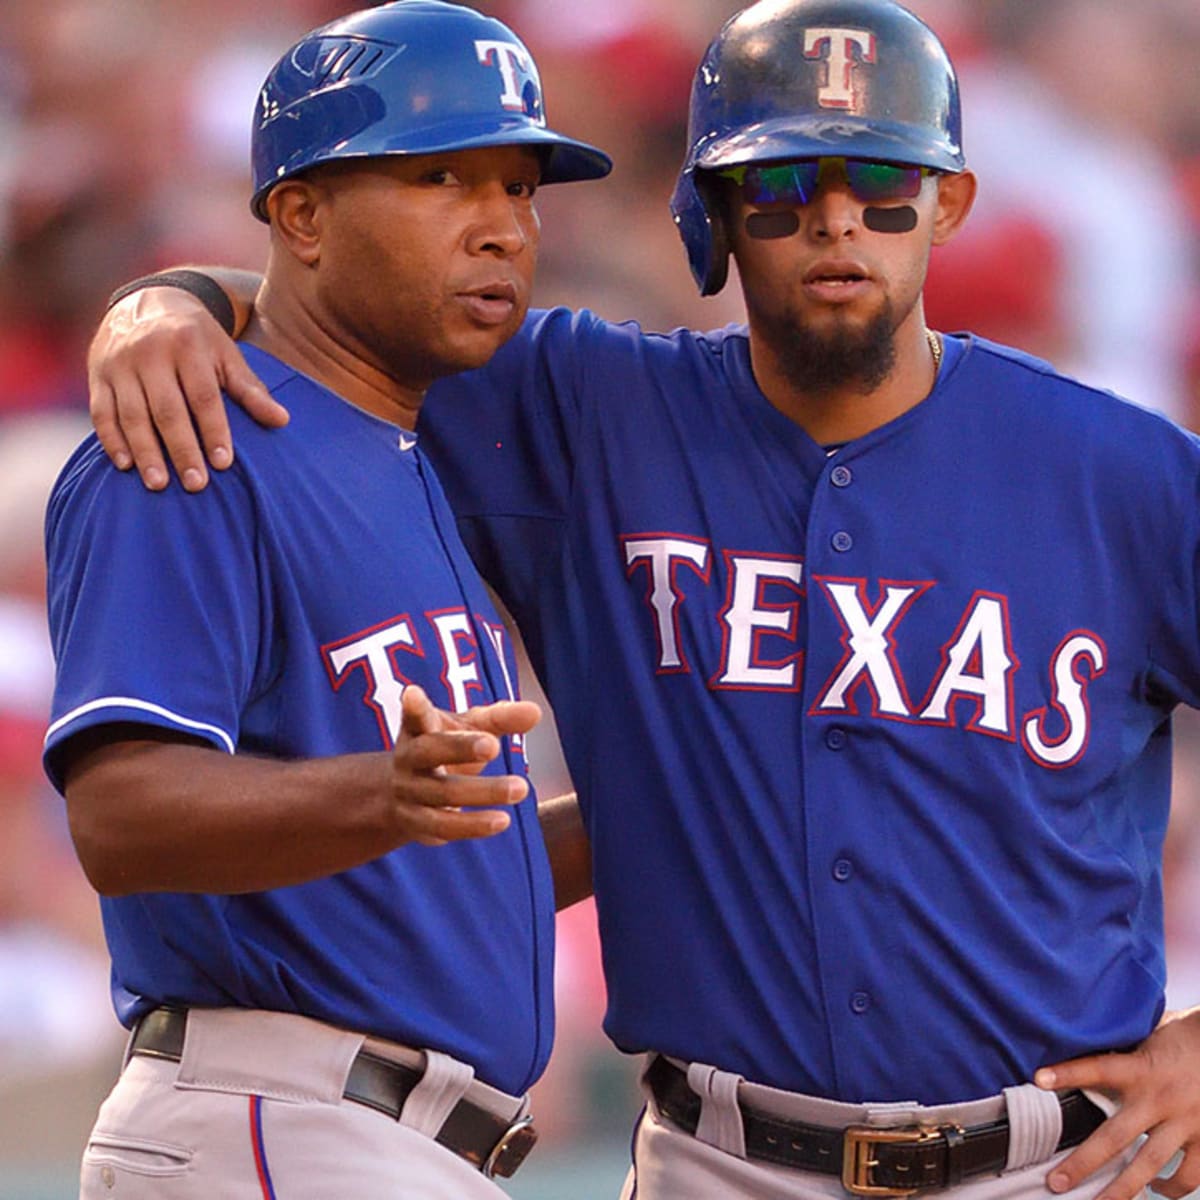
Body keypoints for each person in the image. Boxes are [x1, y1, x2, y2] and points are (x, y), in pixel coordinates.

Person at [84, 1, 1200, 1199]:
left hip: (1056, 1160)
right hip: (719, 1159)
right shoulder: (578, 410)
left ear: (949, 203)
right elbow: (340, 299)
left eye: (882, 181)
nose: (835, 222)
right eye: (778, 187)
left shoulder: (1117, 472)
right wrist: (169, 307)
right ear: (708, 217)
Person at [43, 3, 610, 1198]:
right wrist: (388, 794)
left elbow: (426, 854)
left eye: (519, 187)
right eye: (443, 177)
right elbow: (121, 817)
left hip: (387, 1136)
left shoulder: (412, 451)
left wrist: (641, 822)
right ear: (300, 214)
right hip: (277, 1112)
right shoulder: (197, 435)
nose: (501, 227)